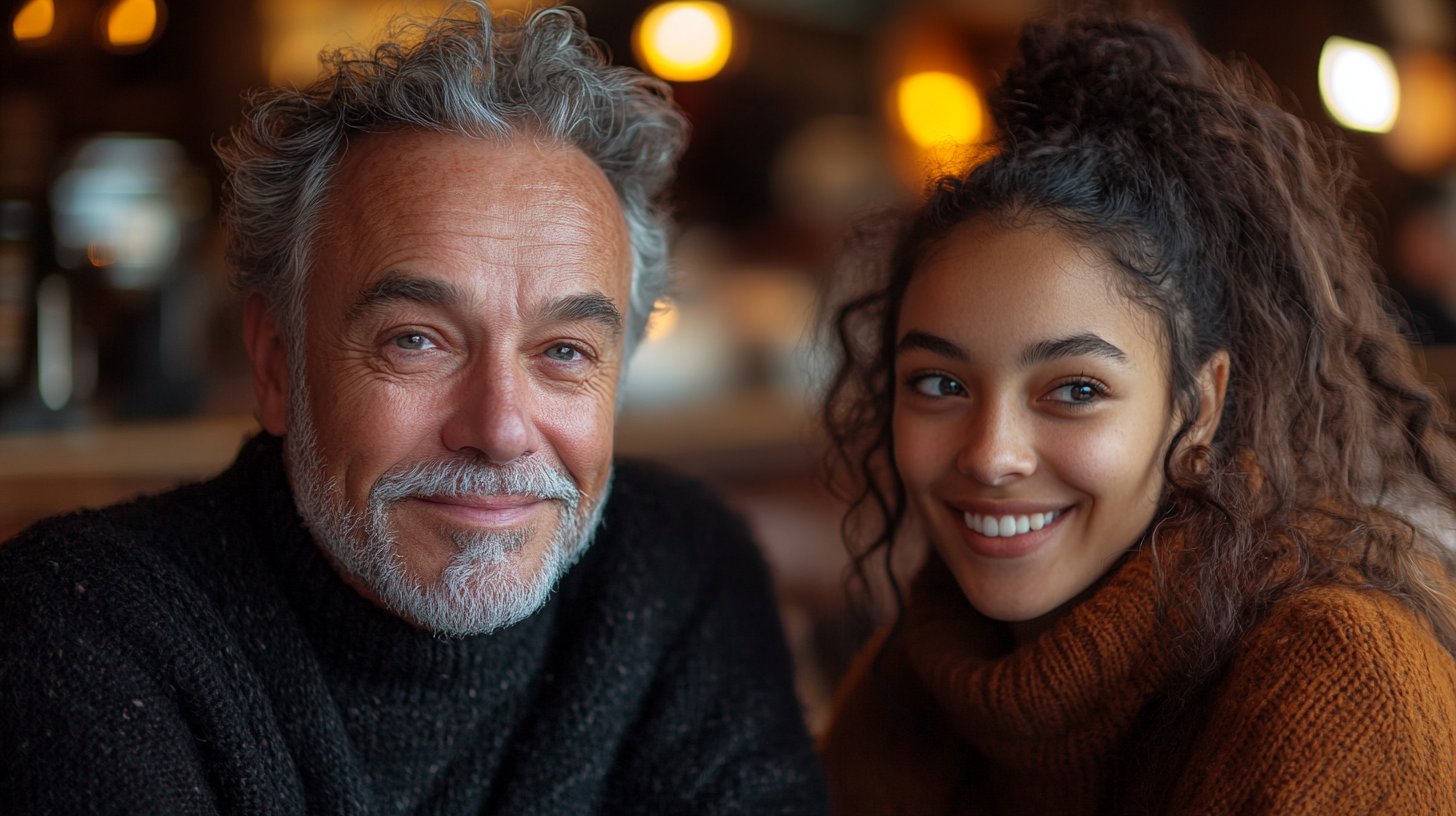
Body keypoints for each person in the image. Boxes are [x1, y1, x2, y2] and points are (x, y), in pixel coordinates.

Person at [0, 4, 826, 813]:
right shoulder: (81, 630)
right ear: (276, 360)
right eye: (417, 341)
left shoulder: (682, 571)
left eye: (564, 352)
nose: (500, 430)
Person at [819, 14, 1456, 815]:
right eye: (939, 384)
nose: (990, 454)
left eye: (1076, 390)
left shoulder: (1339, 675)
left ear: (1199, 404)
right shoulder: (925, 667)